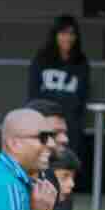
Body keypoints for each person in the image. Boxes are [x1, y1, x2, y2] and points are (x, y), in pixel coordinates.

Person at [27, 15, 91, 147]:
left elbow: (82, 96)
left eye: (72, 34)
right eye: (63, 33)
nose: (67, 38)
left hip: (70, 126)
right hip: (44, 122)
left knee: (66, 164)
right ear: (55, 35)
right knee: (43, 163)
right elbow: (33, 92)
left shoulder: (81, 61)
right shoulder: (42, 58)